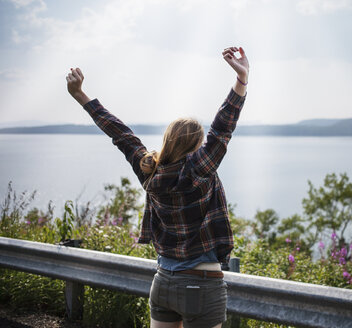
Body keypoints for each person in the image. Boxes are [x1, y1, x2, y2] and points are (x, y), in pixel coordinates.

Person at [66, 46, 249, 328]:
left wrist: (80, 95)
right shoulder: (199, 170)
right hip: (202, 284)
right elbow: (223, 128)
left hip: (163, 282)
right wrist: (242, 79)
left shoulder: (149, 171)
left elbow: (120, 133)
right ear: (197, 146)